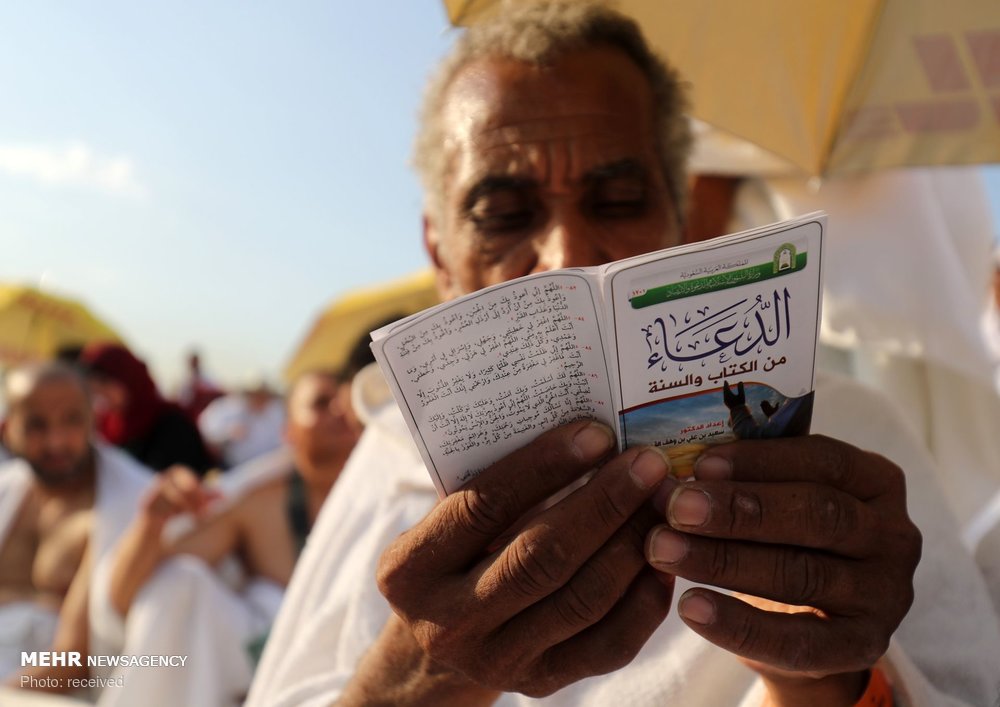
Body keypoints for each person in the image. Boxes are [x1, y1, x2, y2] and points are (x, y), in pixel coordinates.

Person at [247, 3, 999, 706]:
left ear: (677, 219)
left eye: (616, 202)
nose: (568, 255)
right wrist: (412, 680)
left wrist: (830, 679)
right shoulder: (389, 454)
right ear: (439, 251)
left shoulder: (835, 436)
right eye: (504, 215)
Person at [97, 358, 369, 705]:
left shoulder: (393, 498)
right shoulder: (257, 504)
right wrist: (152, 524)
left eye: (347, 402)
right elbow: (131, 593)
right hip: (269, 679)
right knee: (180, 581)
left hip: (361, 672)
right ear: (288, 430)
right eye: (321, 403)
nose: (340, 411)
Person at [0, 362, 150, 697]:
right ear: (9, 429)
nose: (56, 441)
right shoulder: (8, 491)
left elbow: (73, 664)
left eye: (72, 420)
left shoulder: (125, 508)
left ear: (92, 421)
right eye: (36, 425)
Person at [80, 343, 214, 475]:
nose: (101, 395)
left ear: (130, 379)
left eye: (105, 385)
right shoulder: (106, 428)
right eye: (94, 389)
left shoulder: (173, 426)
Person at [198, 374, 286, 469]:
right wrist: (228, 434)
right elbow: (209, 432)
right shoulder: (227, 408)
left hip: (273, 468)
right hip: (236, 469)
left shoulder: (276, 411)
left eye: (261, 394)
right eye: (254, 394)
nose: (258, 398)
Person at [175, 349, 224, 421]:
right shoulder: (184, 378)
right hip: (188, 411)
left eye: (195, 361)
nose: (193, 363)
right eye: (192, 361)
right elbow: (181, 397)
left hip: (204, 411)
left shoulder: (208, 376)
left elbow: (215, 389)